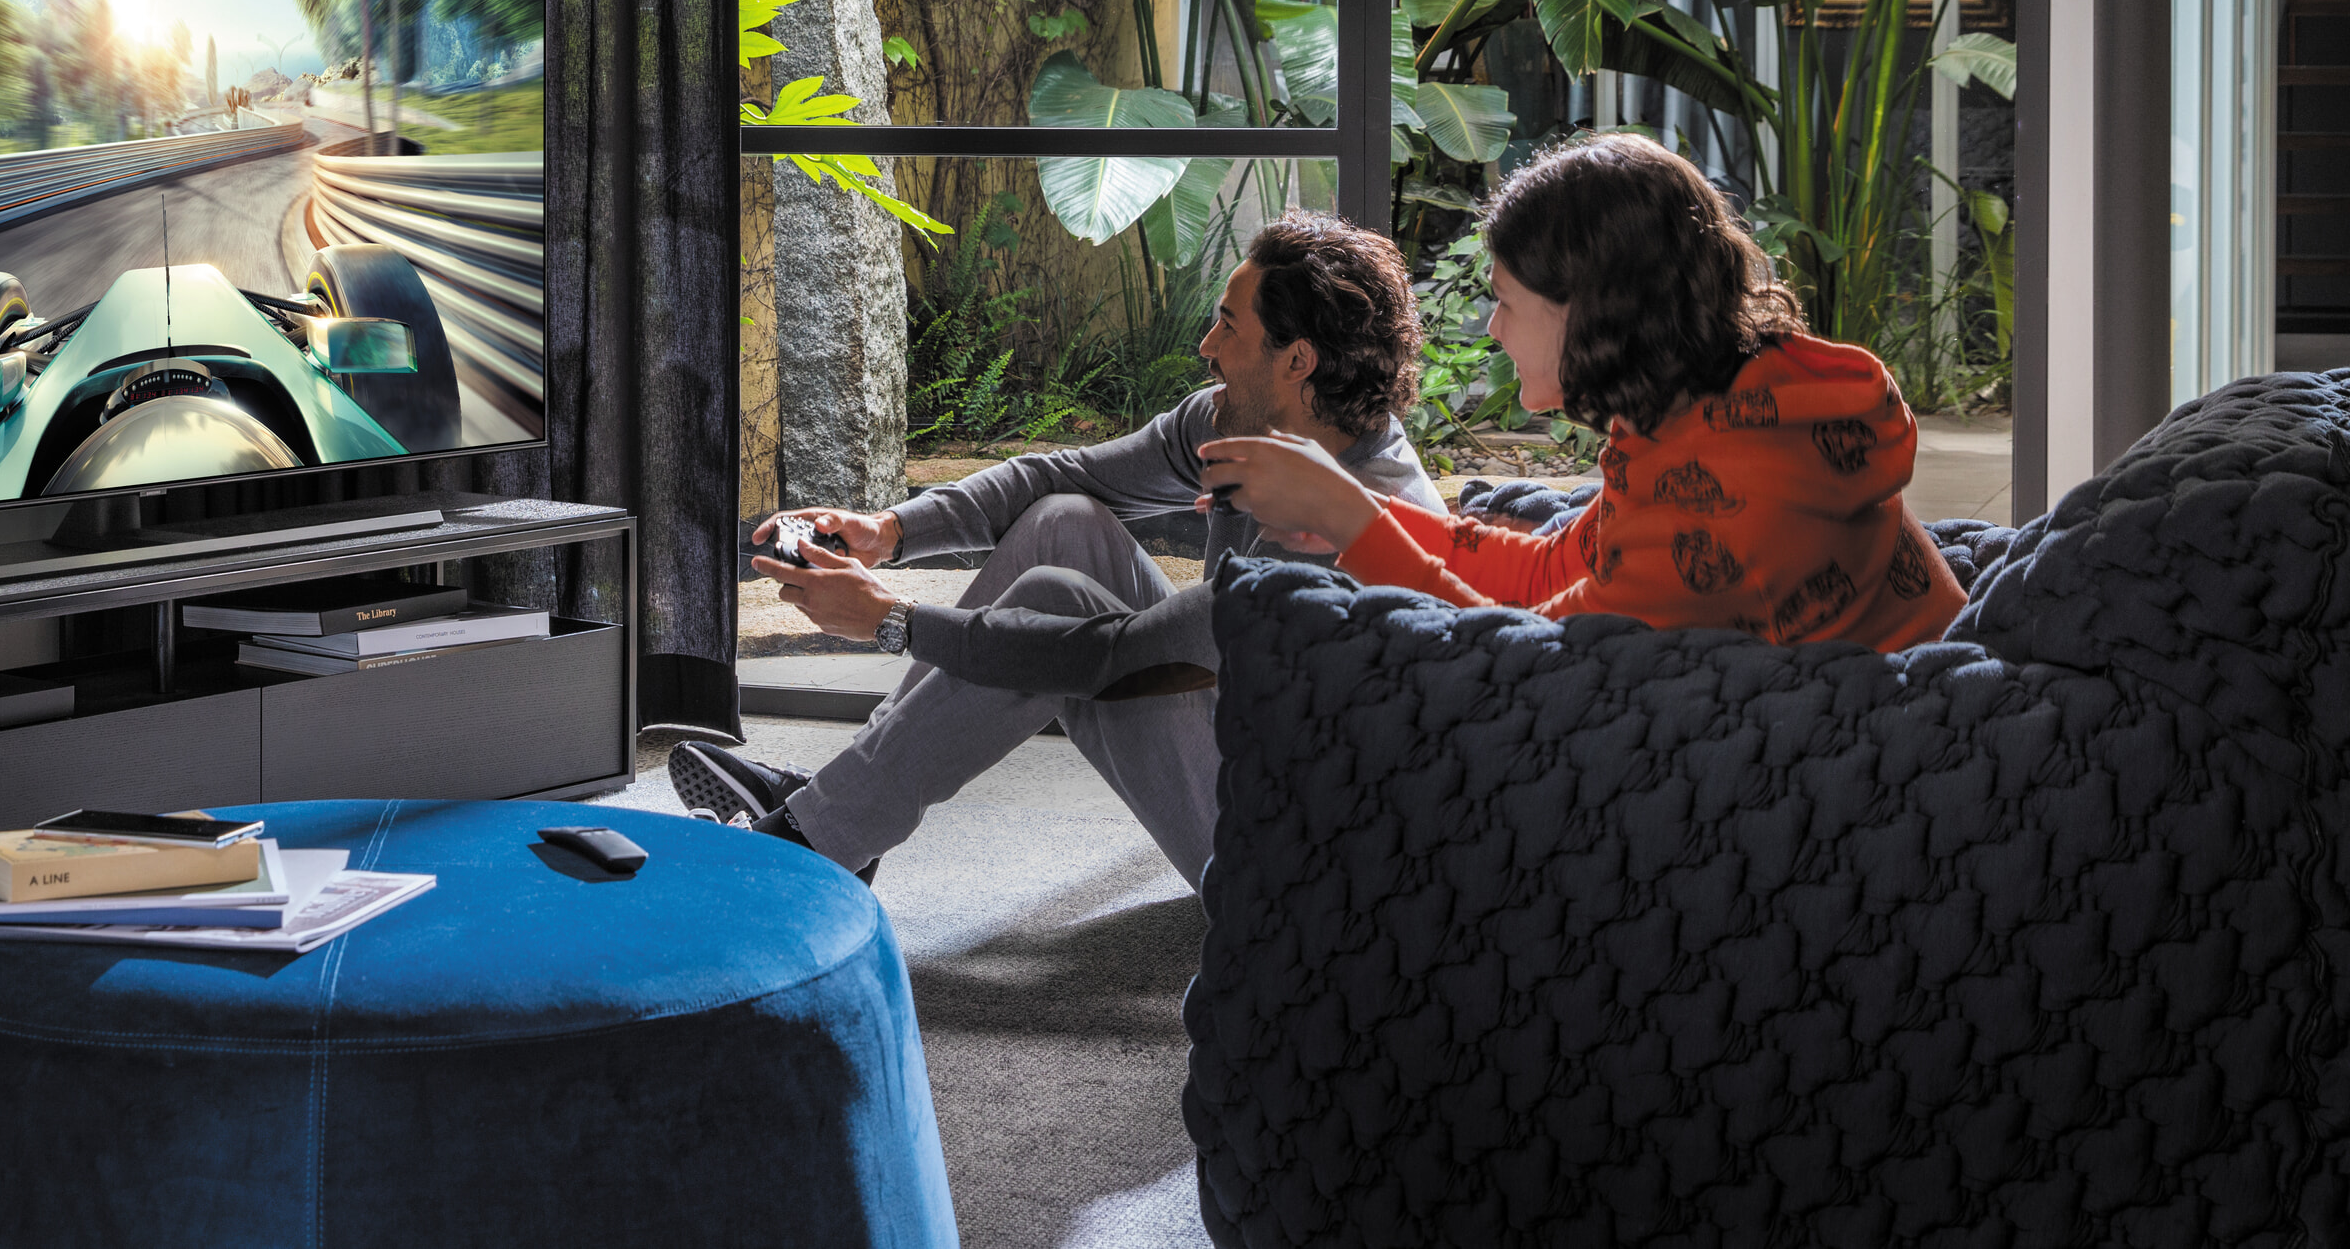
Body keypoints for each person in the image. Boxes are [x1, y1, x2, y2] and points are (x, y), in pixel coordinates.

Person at [668, 210, 1443, 885]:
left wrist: (893, 618)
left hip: (1295, 860)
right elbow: (1060, 473)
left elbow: (1106, 656)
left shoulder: (1360, 525)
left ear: (1298, 359)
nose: (1207, 344)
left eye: (1230, 326)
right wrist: (891, 532)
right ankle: (839, 816)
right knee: (1062, 519)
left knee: (1056, 610)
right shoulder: (1236, 420)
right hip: (1236, 739)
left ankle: (814, 836)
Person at [1204, 133, 1962, 651]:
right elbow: (1548, 573)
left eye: (1505, 300)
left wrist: (1344, 512)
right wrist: (1350, 510)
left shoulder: (1724, 513)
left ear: (1589, 311)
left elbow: (1530, 658)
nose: (1494, 329)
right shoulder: (1699, 410)